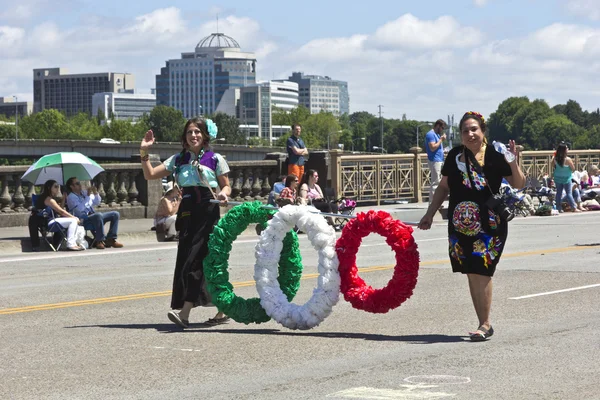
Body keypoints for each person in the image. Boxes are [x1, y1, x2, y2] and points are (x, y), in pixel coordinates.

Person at [418, 111, 526, 341]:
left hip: (490, 223)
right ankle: (482, 322)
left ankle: (485, 324)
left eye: (474, 129)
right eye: (465, 130)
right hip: (462, 223)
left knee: (482, 269)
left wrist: (513, 162)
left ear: (483, 131)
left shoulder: (496, 154)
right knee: (470, 271)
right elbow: (443, 187)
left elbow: (518, 183)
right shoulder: (455, 155)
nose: (470, 134)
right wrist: (429, 213)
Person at [140, 117, 231, 328]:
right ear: (185, 136)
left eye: (197, 132)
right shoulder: (178, 160)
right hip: (187, 215)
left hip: (208, 213)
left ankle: (185, 313)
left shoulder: (215, 159)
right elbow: (150, 174)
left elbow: (226, 186)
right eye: (190, 132)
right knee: (192, 263)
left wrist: (223, 194)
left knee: (195, 261)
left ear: (205, 135)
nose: (193, 136)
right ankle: (223, 307)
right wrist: (144, 152)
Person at [66, 177, 124, 249]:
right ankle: (99, 240)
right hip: (82, 219)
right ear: (71, 186)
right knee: (98, 215)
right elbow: (80, 210)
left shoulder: (83, 193)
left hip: (93, 216)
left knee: (115, 214)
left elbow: (97, 202)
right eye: (77, 184)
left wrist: (95, 192)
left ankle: (111, 239)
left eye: (79, 183)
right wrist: (87, 196)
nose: (80, 185)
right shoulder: (71, 197)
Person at [36, 180, 84, 251]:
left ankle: (73, 242)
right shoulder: (49, 200)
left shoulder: (48, 198)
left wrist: (63, 199)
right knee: (73, 220)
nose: (58, 189)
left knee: (73, 220)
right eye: (55, 187)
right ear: (49, 188)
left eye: (58, 186)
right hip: (49, 222)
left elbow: (60, 210)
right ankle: (71, 244)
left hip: (50, 221)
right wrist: (73, 217)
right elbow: (61, 212)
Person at [552, 143, 581, 213]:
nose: (568, 149)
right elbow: (573, 169)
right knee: (569, 193)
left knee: (558, 193)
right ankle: (573, 207)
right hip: (566, 178)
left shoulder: (555, 158)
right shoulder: (567, 159)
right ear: (564, 150)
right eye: (567, 148)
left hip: (557, 178)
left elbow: (553, 165)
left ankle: (558, 208)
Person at [425, 119, 448, 204]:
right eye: (442, 128)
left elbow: (437, 147)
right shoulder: (430, 134)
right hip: (434, 160)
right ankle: (432, 203)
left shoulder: (437, 135)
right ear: (438, 126)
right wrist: (441, 140)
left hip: (439, 160)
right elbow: (432, 147)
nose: (442, 130)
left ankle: (437, 202)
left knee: (439, 182)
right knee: (435, 182)